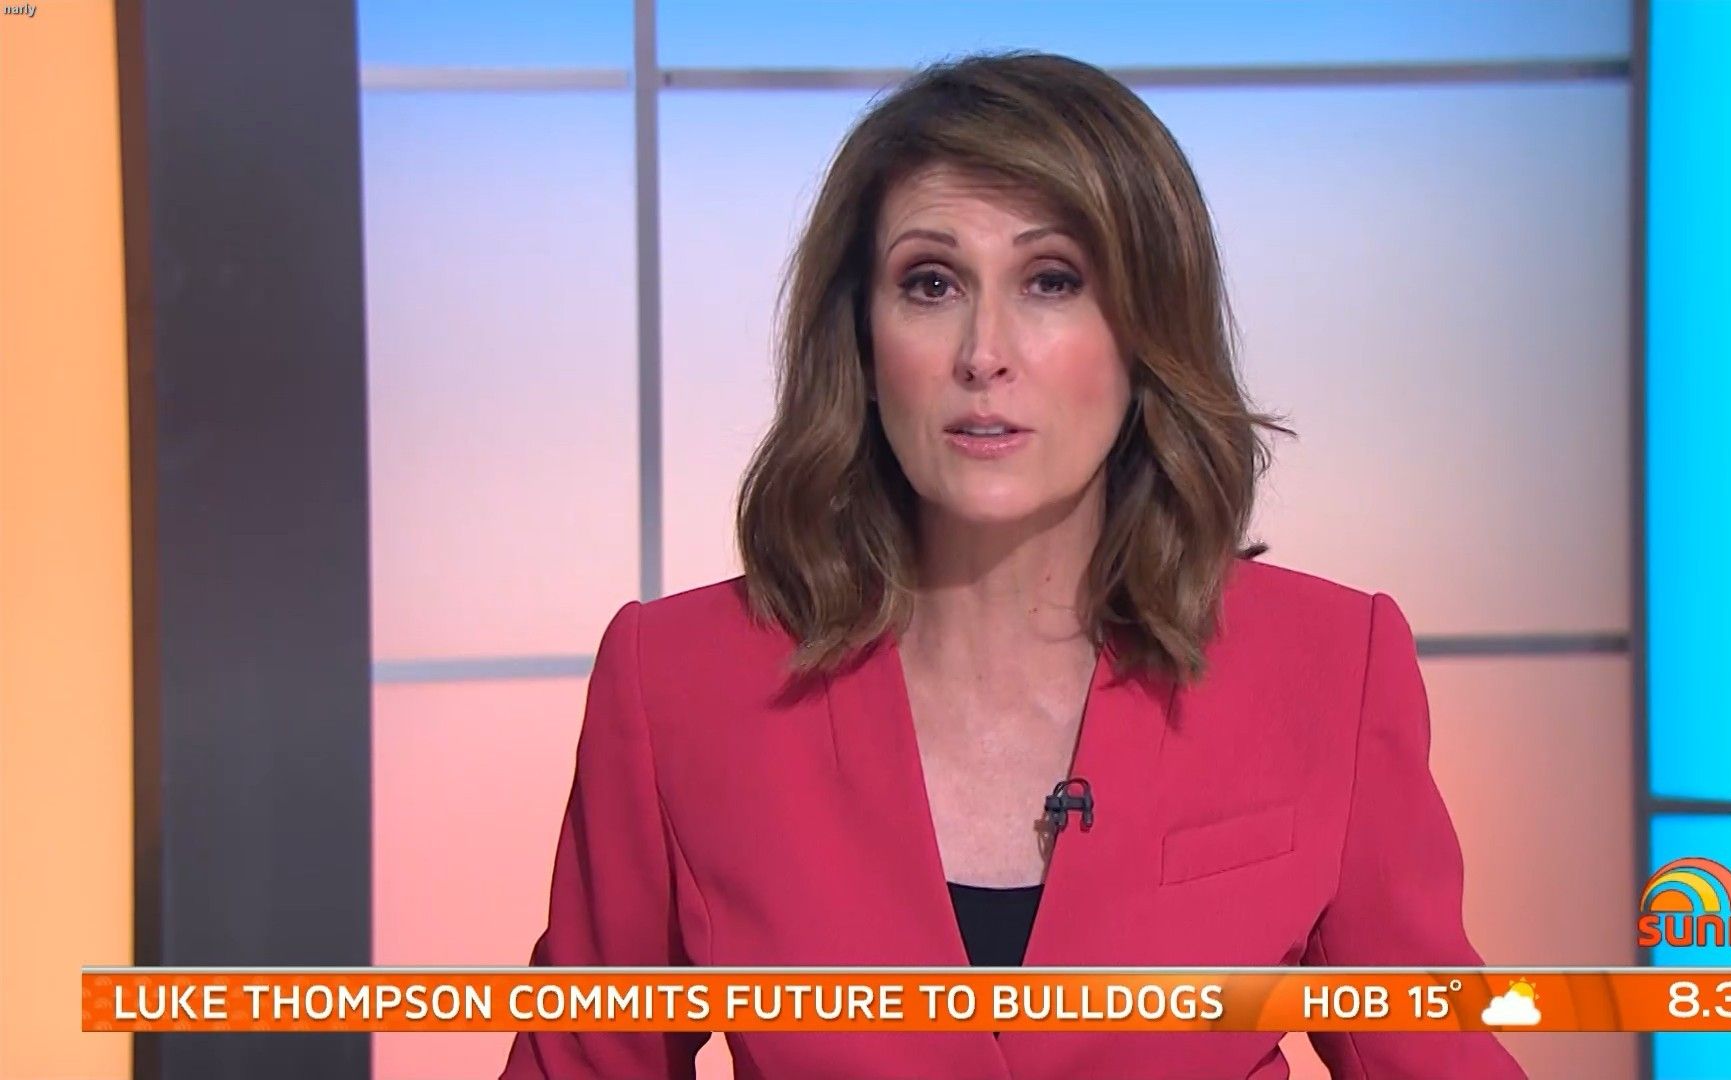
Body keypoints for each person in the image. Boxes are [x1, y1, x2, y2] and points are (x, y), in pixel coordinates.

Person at [503, 51, 1524, 1080]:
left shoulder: (1329, 669)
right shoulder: (678, 686)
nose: (983, 351)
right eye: (931, 283)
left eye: (1051, 281)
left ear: (1144, 335)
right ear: (863, 342)